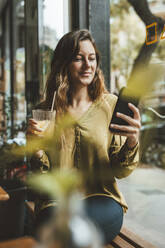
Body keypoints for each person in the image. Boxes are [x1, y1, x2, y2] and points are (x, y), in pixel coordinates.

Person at [27, 29, 141, 245]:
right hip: (56, 201)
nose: (88, 65)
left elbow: (121, 171)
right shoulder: (45, 111)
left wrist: (133, 140)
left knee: (71, 234)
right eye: (79, 59)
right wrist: (37, 150)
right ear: (64, 64)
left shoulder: (110, 106)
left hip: (102, 199)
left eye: (92, 58)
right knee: (63, 230)